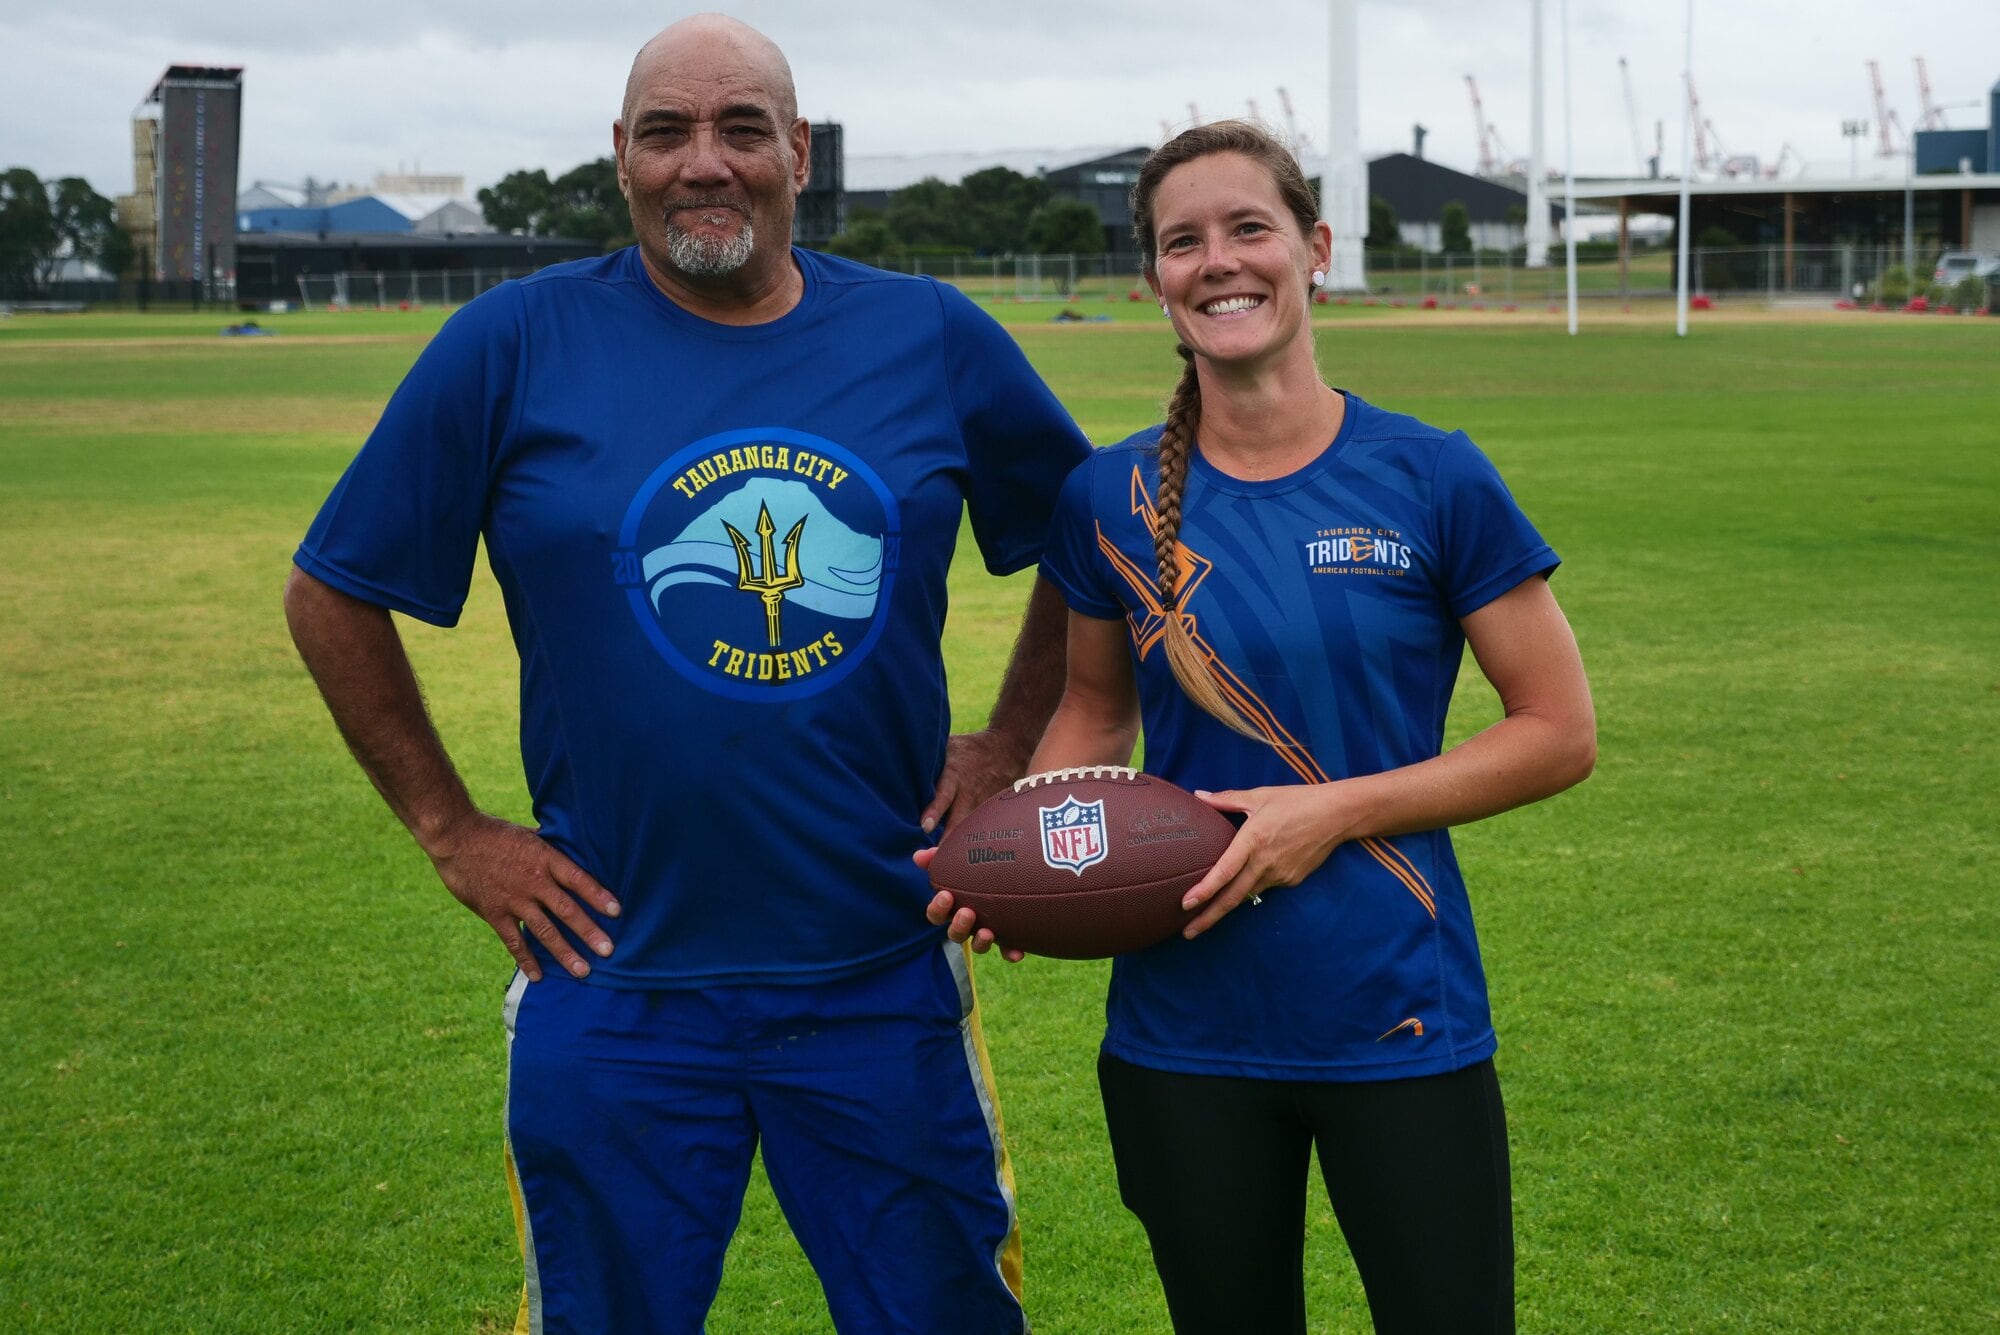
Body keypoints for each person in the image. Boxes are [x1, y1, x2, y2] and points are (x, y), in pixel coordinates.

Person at [283, 15, 1090, 1333]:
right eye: (666, 132)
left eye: (739, 129)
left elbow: (1084, 532)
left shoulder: (926, 334)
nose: (701, 163)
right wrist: (449, 826)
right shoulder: (515, 343)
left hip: (878, 965)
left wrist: (1007, 742)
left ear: (798, 152)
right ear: (621, 157)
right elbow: (331, 587)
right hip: (613, 978)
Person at [929, 121, 1596, 1334]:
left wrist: (1332, 813)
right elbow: (1092, 707)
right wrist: (1018, 853)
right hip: (1184, 1029)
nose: (1218, 262)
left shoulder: (1431, 477)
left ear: (1313, 249)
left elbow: (1556, 730)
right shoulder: (1109, 500)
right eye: (1183, 242)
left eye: (1249, 228)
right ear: (1156, 283)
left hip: (1395, 1011)